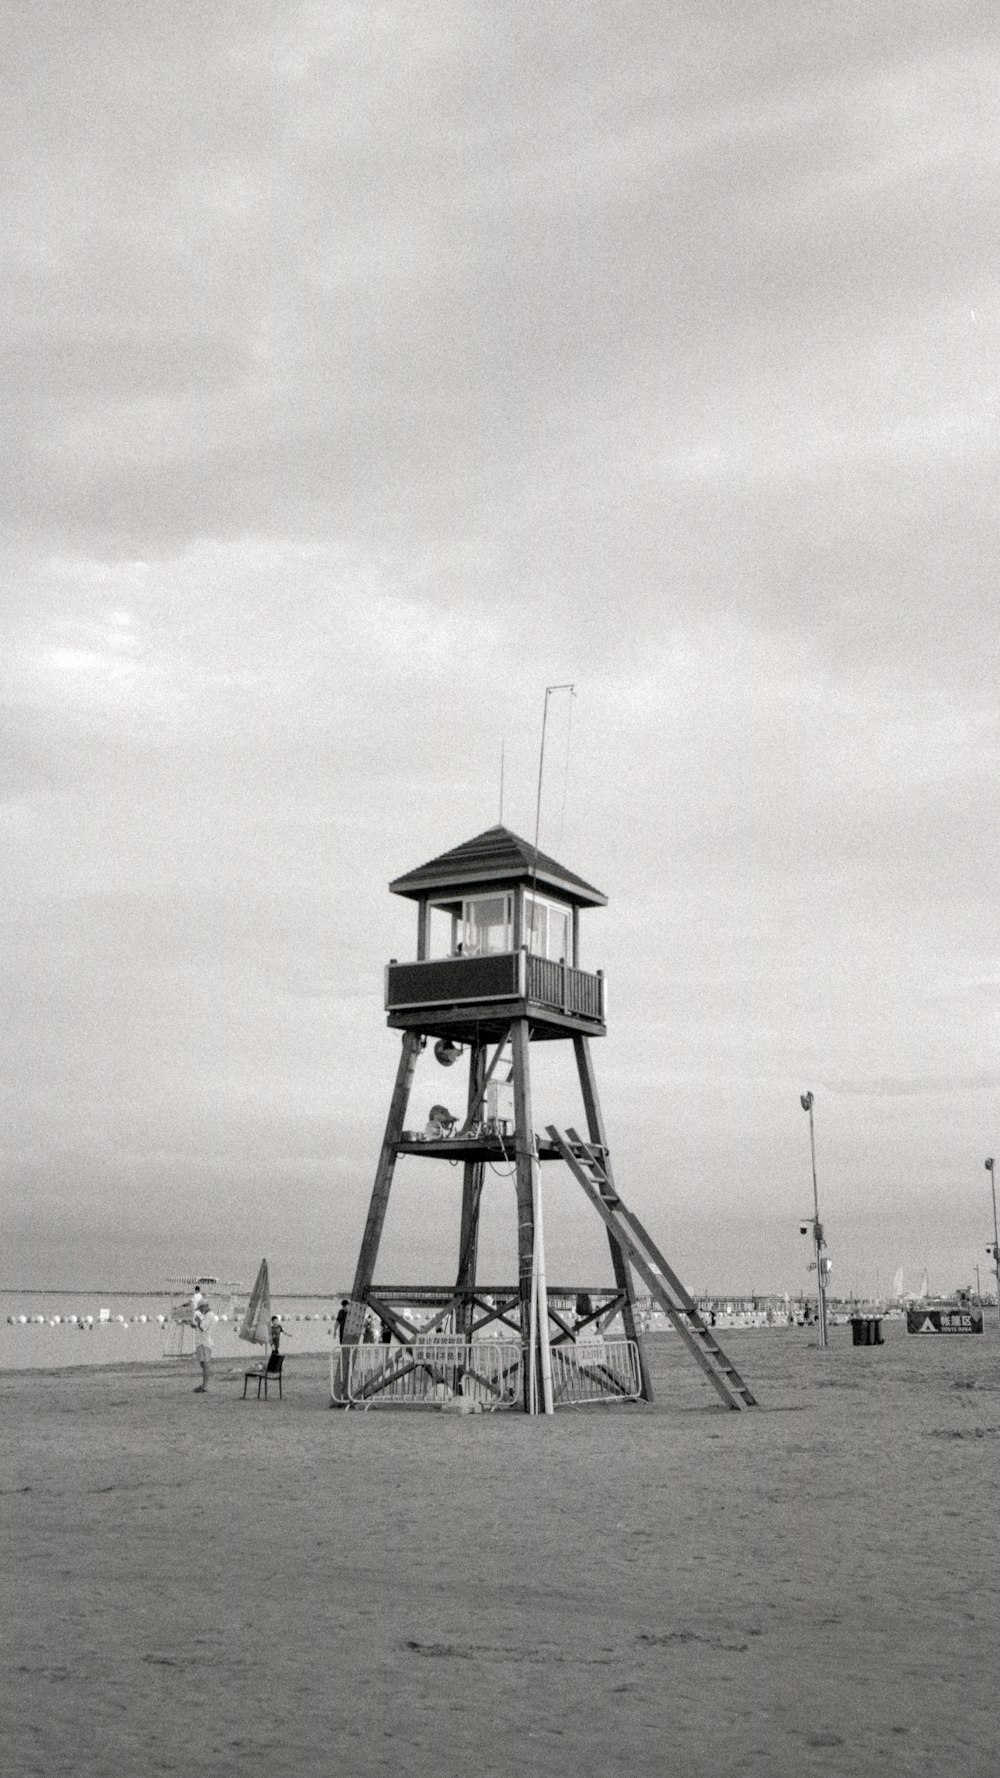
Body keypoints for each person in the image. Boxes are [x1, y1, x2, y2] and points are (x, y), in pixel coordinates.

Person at [193, 1295, 218, 1392]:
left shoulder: (209, 1316)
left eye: (200, 1308)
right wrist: (196, 1324)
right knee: (203, 1364)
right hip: (203, 1342)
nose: (200, 1310)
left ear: (204, 1306)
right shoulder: (207, 1316)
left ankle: (204, 1386)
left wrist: (198, 1321)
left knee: (205, 1364)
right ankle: (204, 1385)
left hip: (204, 1342)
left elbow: (203, 1327)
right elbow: (201, 1327)